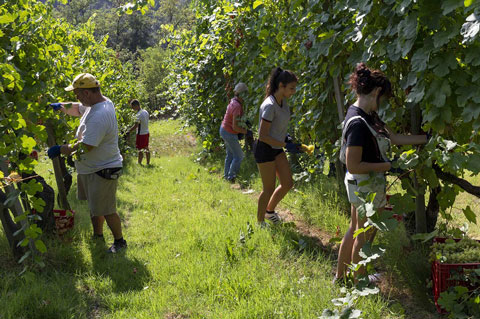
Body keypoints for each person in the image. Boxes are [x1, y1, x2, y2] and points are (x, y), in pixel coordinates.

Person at [335, 63, 428, 282]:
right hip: (363, 185)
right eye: (383, 98)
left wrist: (425, 140)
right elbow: (353, 164)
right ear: (376, 92)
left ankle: (341, 277)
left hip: (362, 185)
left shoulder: (368, 115)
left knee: (355, 230)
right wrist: (385, 166)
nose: (382, 103)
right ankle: (360, 280)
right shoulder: (358, 123)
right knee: (364, 235)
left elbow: (394, 138)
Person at [47, 73, 127, 253]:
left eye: (78, 94)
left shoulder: (100, 114)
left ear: (87, 93)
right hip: (92, 168)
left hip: (103, 169)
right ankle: (98, 235)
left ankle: (120, 242)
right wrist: (61, 107)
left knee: (107, 209)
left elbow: (86, 147)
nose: (76, 98)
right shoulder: (97, 103)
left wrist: (60, 149)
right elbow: (78, 109)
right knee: (95, 206)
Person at [254, 67, 302, 227]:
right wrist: (285, 144)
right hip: (265, 149)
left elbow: (278, 128)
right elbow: (263, 136)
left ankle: (269, 211)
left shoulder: (284, 103)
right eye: (291, 88)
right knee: (268, 188)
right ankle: (260, 222)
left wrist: (286, 138)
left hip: (276, 147)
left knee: (288, 183)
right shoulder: (269, 105)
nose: (293, 91)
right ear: (281, 86)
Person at [219, 82, 252, 182]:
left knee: (230, 154)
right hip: (229, 133)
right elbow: (235, 127)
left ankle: (226, 176)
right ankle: (231, 177)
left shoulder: (234, 101)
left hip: (224, 130)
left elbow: (235, 119)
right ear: (241, 94)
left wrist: (245, 121)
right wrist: (246, 131)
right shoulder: (237, 106)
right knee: (239, 156)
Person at [127, 99, 150, 165]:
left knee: (140, 149)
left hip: (141, 134)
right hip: (146, 132)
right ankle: (148, 163)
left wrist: (129, 131)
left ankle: (139, 163)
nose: (132, 109)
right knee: (146, 148)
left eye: (133, 107)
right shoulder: (145, 112)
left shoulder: (138, 114)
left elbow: (136, 125)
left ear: (136, 105)